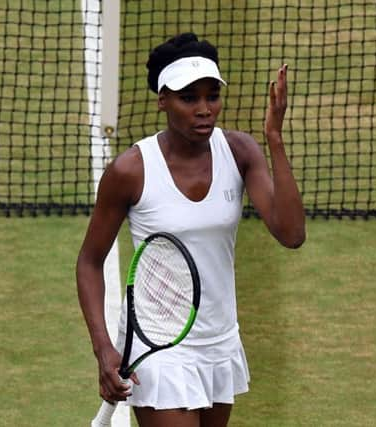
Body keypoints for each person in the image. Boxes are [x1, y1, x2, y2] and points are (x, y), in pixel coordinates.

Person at [76, 32, 306, 427]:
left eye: (211, 95)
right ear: (162, 99)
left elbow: (291, 233)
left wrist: (274, 138)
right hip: (159, 348)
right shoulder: (131, 170)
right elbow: (89, 262)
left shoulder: (240, 151)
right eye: (189, 98)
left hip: (219, 343)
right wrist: (103, 349)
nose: (204, 109)